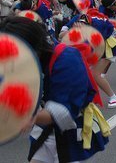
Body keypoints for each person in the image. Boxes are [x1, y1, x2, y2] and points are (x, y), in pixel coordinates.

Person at [0, 17, 109, 163]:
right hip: (44, 130)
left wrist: (25, 117)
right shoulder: (20, 62)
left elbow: (63, 111)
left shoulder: (66, 59)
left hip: (72, 129)